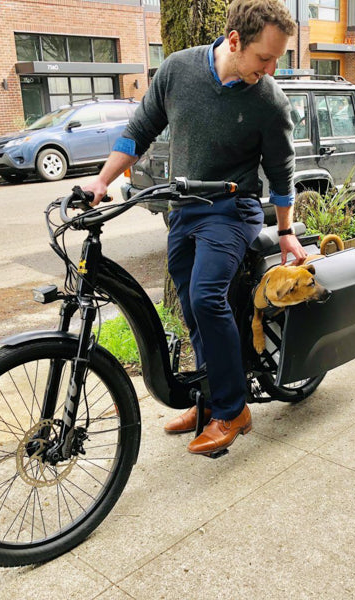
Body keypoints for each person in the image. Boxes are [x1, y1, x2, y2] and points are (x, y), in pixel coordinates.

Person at [83, 0, 307, 457]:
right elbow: (139, 130)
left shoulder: (268, 101)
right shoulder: (178, 70)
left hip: (232, 209)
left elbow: (281, 175)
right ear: (233, 41)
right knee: (192, 306)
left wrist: (285, 231)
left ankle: (232, 408)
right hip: (184, 211)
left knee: (206, 296)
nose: (269, 69)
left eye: (277, 59)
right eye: (264, 57)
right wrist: (102, 180)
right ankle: (207, 401)